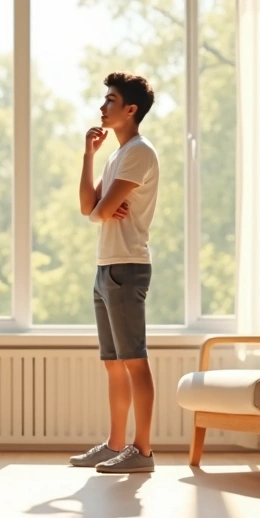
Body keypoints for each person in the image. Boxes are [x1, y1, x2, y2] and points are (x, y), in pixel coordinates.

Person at [69, 71, 159, 474]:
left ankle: (143, 451)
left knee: (134, 360)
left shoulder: (140, 152)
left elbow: (101, 211)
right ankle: (115, 444)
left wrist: (105, 206)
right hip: (106, 266)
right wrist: (89, 155)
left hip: (127, 266)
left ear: (130, 109)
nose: (102, 107)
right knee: (113, 362)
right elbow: (89, 207)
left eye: (110, 100)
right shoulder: (115, 155)